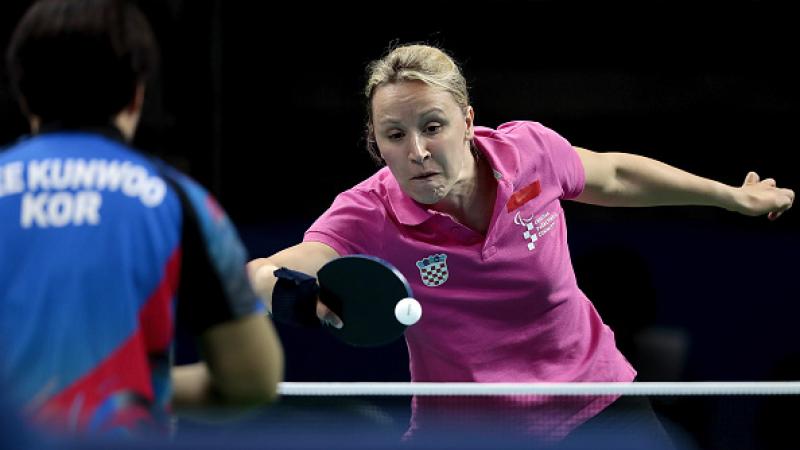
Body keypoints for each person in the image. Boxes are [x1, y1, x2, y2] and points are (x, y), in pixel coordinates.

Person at [247, 44, 794, 441]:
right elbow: (272, 268)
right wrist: (294, 292)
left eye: (432, 126)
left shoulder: (529, 152)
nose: (416, 150)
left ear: (467, 122)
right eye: (395, 135)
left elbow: (616, 175)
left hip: (594, 404)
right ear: (378, 144)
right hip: (467, 430)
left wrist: (729, 197)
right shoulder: (369, 210)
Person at [0, 0, 283, 436]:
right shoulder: (175, 201)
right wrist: (138, 389)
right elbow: (252, 379)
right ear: (137, 94)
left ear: (23, 92)